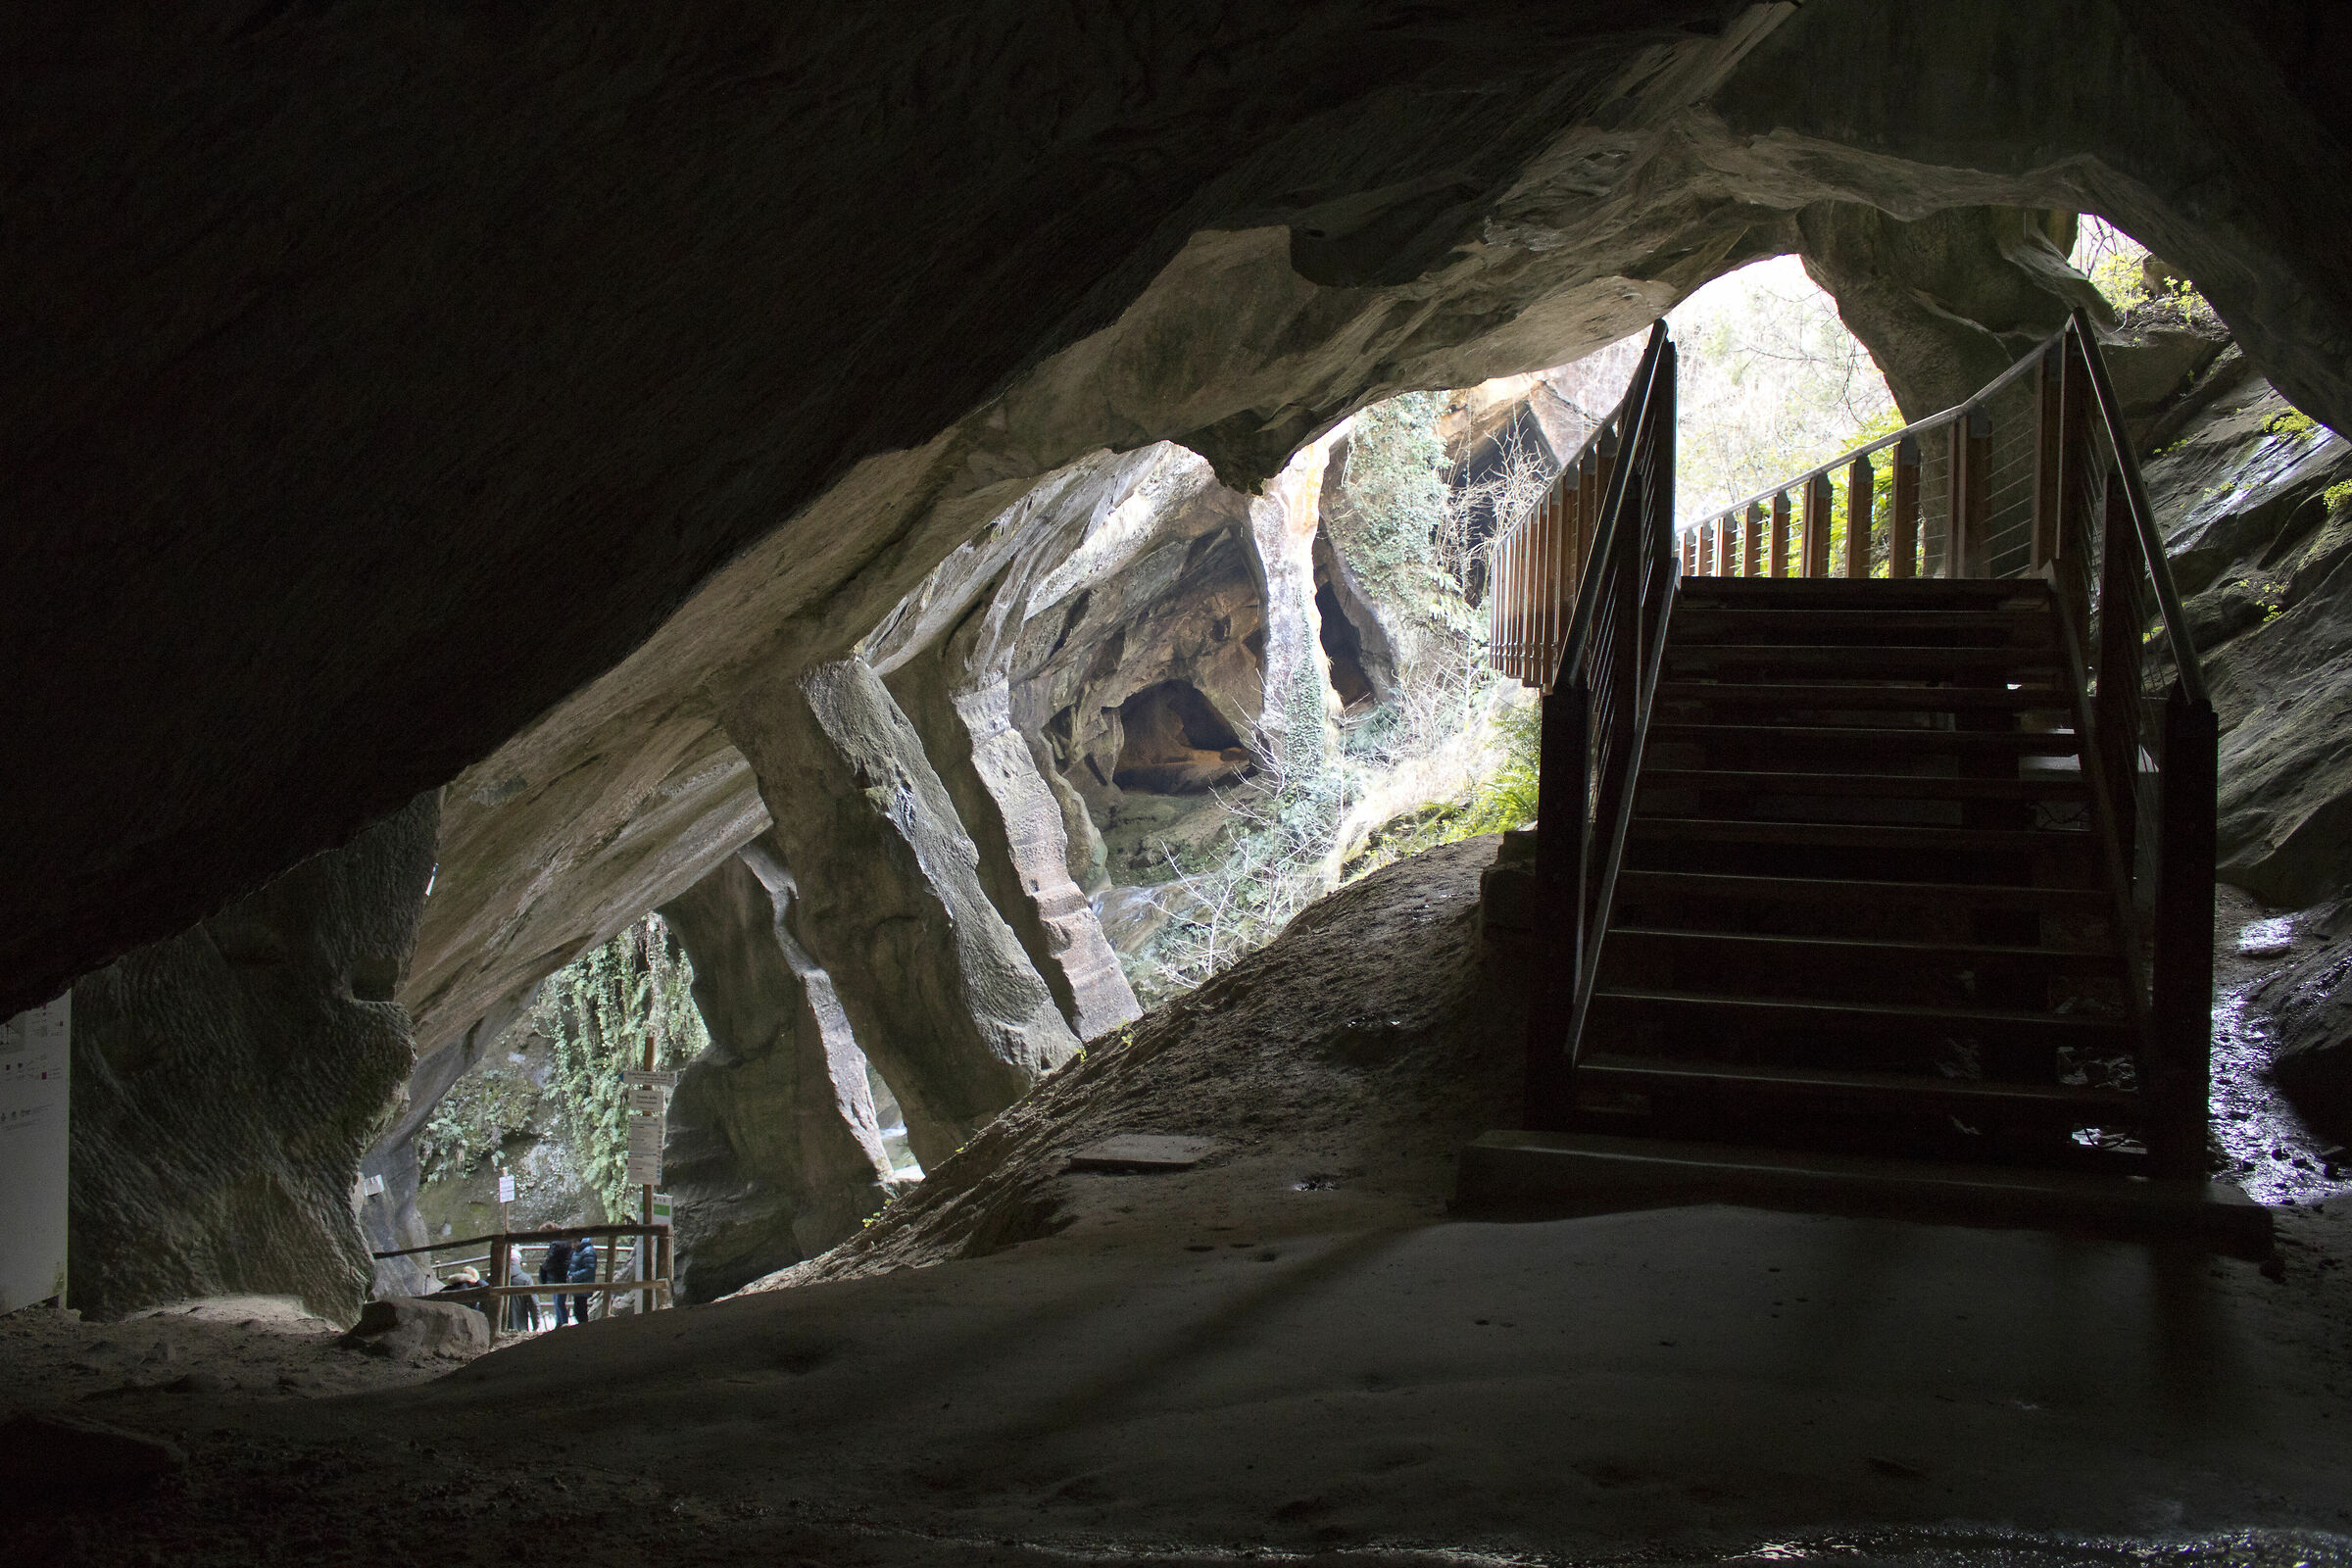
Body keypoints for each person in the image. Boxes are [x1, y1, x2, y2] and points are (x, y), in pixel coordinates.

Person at [536, 1223, 575, 1326]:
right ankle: (560, 1322)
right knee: (558, 1300)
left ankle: (563, 1323)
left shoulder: (557, 1244)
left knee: (559, 1301)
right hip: (563, 1272)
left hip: (558, 1274)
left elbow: (551, 1259)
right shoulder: (565, 1240)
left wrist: (543, 1266)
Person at [565, 1232, 598, 1325]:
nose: (572, 1245)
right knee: (578, 1310)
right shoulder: (579, 1251)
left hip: (583, 1285)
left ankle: (585, 1330)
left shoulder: (587, 1252)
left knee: (580, 1311)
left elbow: (590, 1269)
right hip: (578, 1285)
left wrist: (573, 1276)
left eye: (574, 1242)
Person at [507, 1242, 538, 1334]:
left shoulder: (492, 1279)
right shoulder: (525, 1279)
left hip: (495, 1328)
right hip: (520, 1327)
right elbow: (534, 1304)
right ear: (519, 1262)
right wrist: (536, 1325)